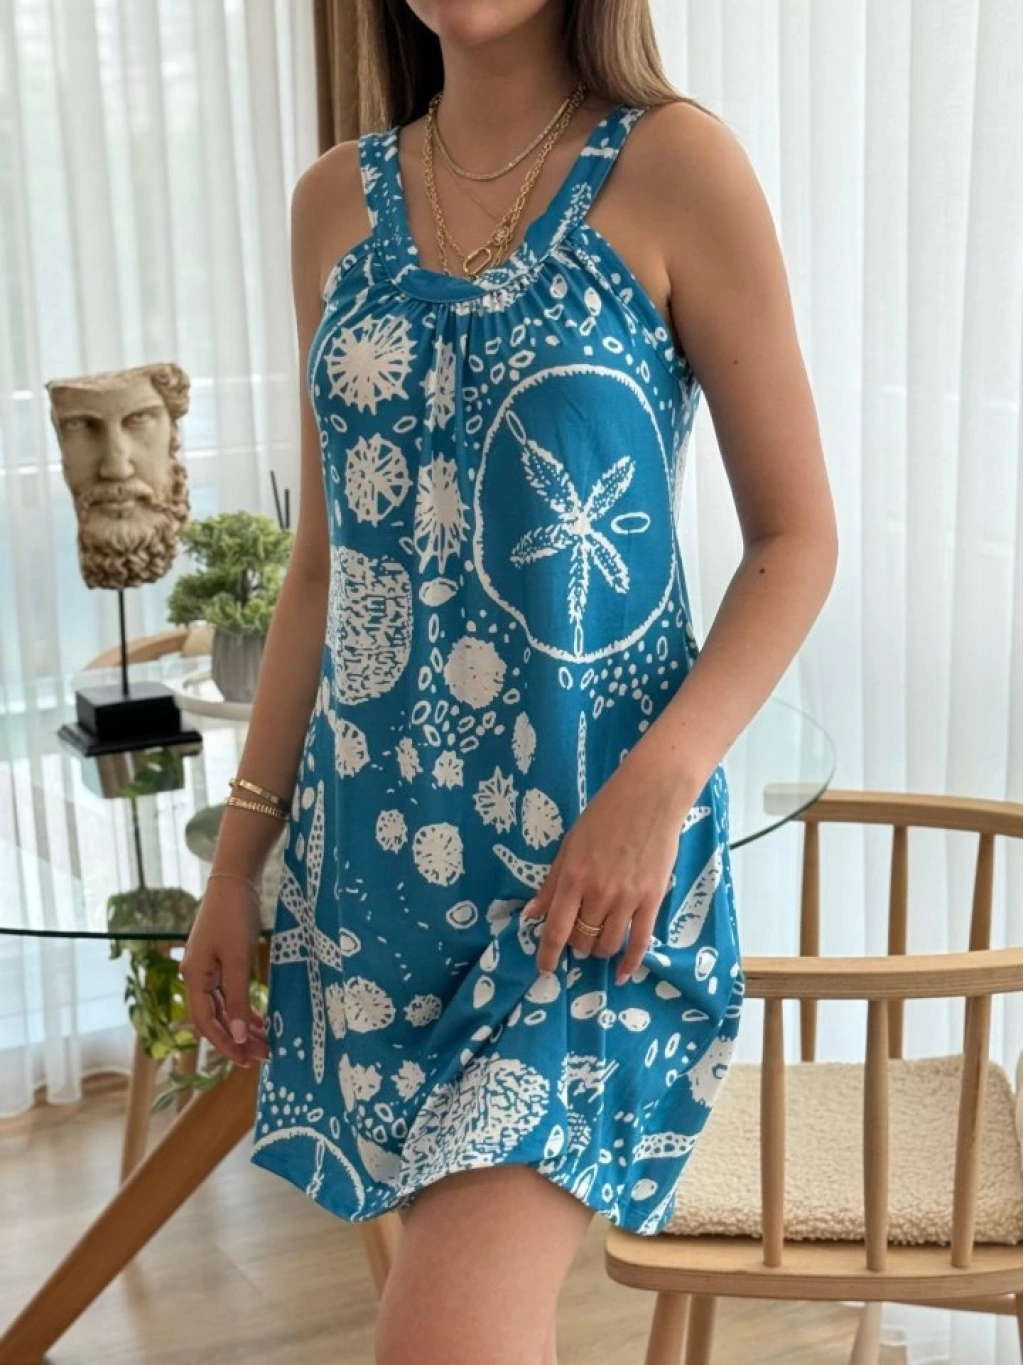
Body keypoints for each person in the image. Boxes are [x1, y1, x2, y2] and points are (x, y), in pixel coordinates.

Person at [180, 2, 837, 1362]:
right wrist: (240, 862)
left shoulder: (675, 165)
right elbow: (325, 570)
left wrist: (659, 788)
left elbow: (798, 540)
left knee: (441, 1334)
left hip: (591, 891)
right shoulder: (331, 203)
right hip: (377, 878)